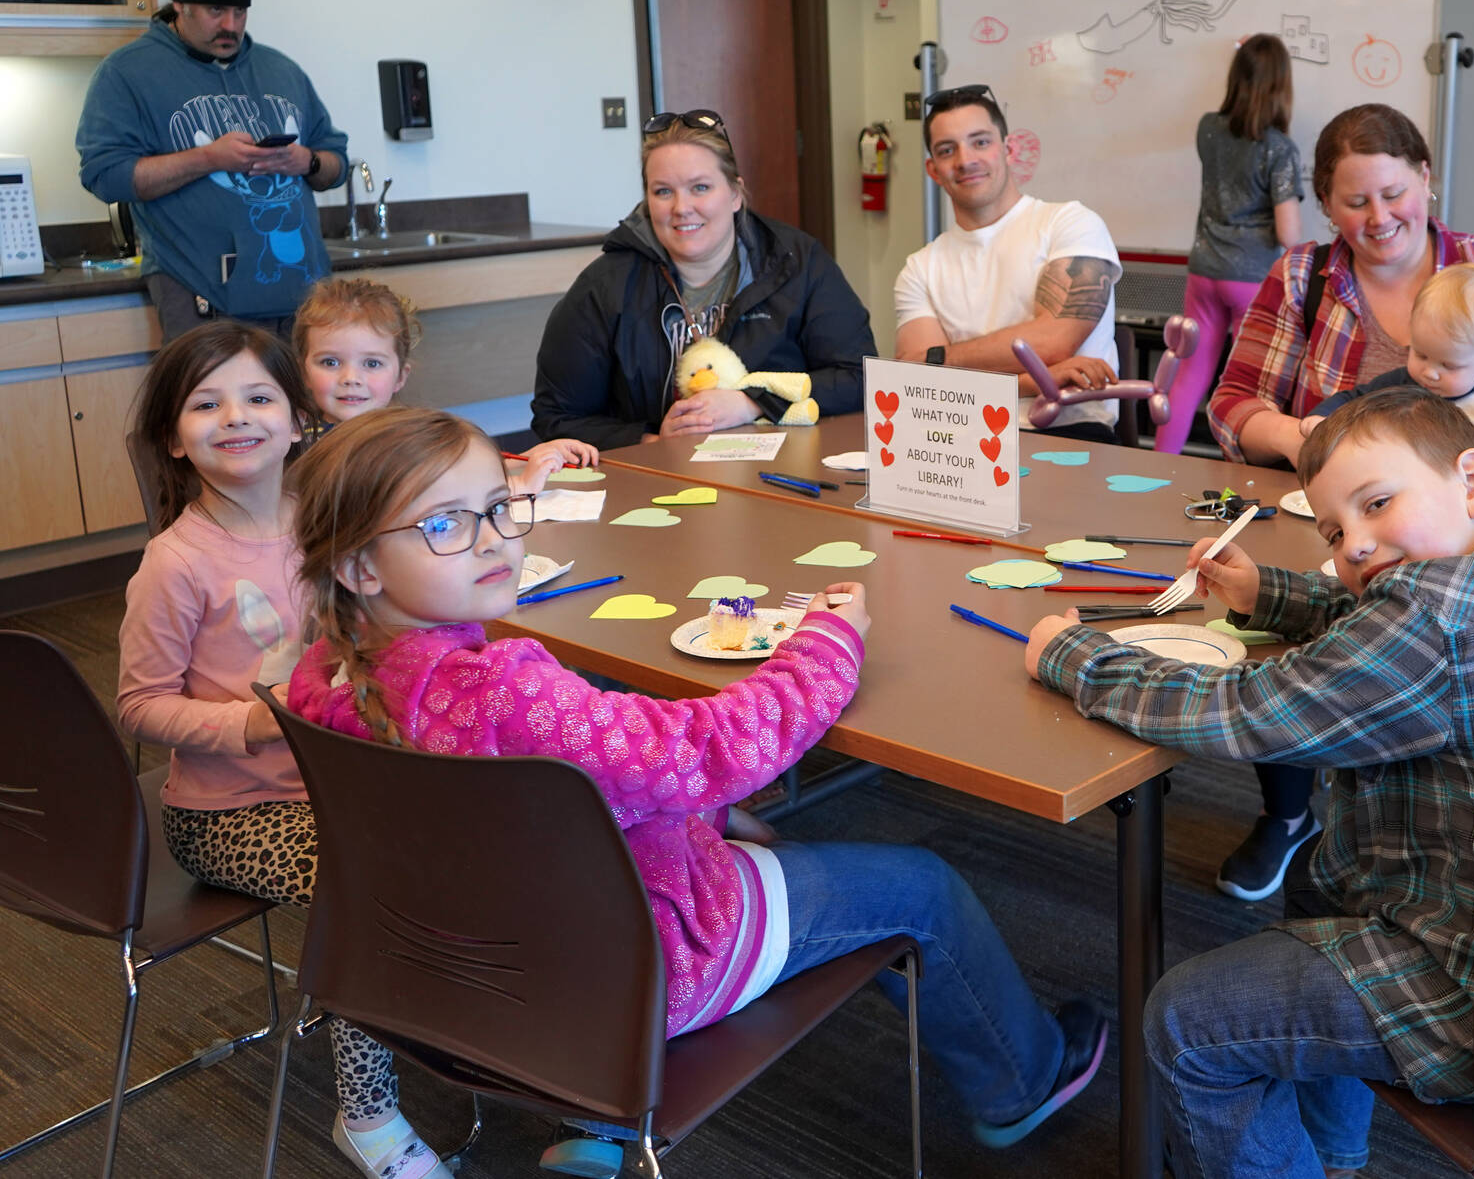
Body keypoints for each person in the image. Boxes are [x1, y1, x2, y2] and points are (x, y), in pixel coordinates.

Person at [283, 408, 1108, 1167]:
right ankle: (1025, 1077)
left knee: (744, 827)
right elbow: (708, 750)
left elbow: (557, 797)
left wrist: (705, 808)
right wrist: (825, 644)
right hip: (632, 969)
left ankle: (595, 1122)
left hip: (461, 964)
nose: (495, 539)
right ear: (358, 565)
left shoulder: (320, 679)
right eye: (444, 524)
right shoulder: (506, 691)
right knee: (923, 887)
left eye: (500, 506)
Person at [1022, 389, 1474, 1179]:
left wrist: (1075, 655)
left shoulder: (1429, 622)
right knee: (1322, 877)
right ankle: (1335, 1156)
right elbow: (1380, 613)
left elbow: (1244, 712)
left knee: (1188, 1022)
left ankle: (1318, 1156)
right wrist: (1266, 593)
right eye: (1337, 531)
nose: (1357, 546)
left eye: (1377, 504)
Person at [1202, 103, 1474, 901]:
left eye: (1394, 193)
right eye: (1355, 202)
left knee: (1419, 655)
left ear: (1426, 177)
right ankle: (1293, 814)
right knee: (1273, 616)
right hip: (1347, 521)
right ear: (1325, 205)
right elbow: (1230, 408)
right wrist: (1306, 439)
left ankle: (1410, 823)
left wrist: (1462, 467)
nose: (1379, 217)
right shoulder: (1303, 278)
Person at [117, 323, 446, 1179]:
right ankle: (368, 1117)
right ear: (171, 437)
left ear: (297, 420)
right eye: (206, 403)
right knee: (368, 885)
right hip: (228, 813)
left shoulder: (320, 519)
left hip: (339, 782)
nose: (237, 416)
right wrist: (256, 724)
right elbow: (140, 705)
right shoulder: (174, 563)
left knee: (474, 832)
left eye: (258, 396)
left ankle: (469, 1036)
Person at [531, 111, 876, 451]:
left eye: (700, 187)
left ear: (735, 194)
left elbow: (859, 378)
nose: (682, 207)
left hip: (781, 475)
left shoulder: (797, 263)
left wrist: (753, 403)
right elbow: (557, 417)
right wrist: (653, 442)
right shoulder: (604, 287)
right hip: (658, 483)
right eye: (663, 192)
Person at [77, 0, 347, 340]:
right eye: (216, 10)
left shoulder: (281, 70)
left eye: (240, 12)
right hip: (201, 297)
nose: (231, 25)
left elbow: (336, 163)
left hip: (304, 300)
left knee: (306, 405)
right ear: (181, 6)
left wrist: (306, 161)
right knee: (216, 404)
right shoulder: (127, 73)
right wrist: (208, 159)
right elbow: (105, 176)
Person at [893, 85, 1125, 444]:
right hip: (963, 444)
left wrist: (938, 358)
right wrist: (1034, 381)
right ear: (933, 170)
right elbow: (924, 384)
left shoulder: (1071, 223)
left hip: (1071, 438)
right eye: (946, 149)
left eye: (980, 142)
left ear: (1009, 148)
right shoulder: (919, 268)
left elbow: (1053, 343)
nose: (965, 159)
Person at [1303, 263, 1474, 509]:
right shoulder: (1402, 385)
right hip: (1433, 511)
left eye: (1449, 365)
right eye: (1420, 354)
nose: (1430, 373)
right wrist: (1320, 421)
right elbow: (1354, 399)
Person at [295, 275, 597, 486]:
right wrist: (519, 488)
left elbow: (447, 471)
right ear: (304, 369)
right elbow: (414, 496)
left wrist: (527, 458)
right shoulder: (306, 446)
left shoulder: (400, 431)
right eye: (330, 362)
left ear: (401, 376)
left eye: (371, 363)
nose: (351, 378)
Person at [1156, 34, 1304, 455]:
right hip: (1251, 280)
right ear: (1281, 84)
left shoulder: (1208, 129)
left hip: (1204, 269)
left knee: (1189, 374)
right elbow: (1289, 234)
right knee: (1249, 386)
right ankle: (1238, 471)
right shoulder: (1279, 149)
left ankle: (1158, 463)